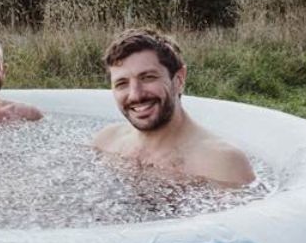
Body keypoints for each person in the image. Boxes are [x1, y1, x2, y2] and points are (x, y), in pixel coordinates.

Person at [93, 28, 255, 187]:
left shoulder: (222, 163)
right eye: (122, 84)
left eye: (148, 77)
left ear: (179, 79)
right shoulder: (107, 142)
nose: (135, 95)